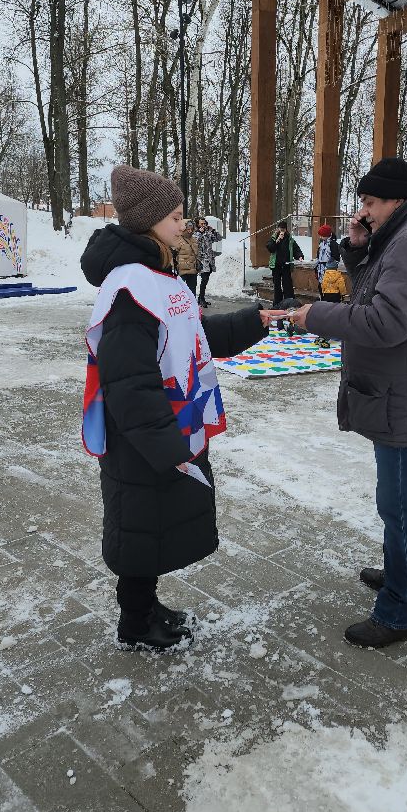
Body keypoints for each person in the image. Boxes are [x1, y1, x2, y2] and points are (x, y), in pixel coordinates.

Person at [80, 165, 285, 651]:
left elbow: (193, 338)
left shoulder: (159, 274)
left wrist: (252, 321)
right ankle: (135, 623)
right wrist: (165, 447)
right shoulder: (131, 288)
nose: (184, 224)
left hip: (165, 426)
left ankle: (147, 607)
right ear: (147, 221)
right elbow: (129, 381)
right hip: (143, 437)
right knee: (139, 526)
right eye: (174, 216)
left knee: (152, 524)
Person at [290, 158, 407, 649]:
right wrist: (360, 248)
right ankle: (399, 571)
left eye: (369, 203)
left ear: (395, 200)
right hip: (403, 390)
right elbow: (378, 291)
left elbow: (387, 321)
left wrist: (316, 315)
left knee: (401, 506)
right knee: (398, 499)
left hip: (403, 395)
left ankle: (400, 611)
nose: (363, 211)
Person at [266, 220, 304, 310]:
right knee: (277, 286)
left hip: (286, 265)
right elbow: (270, 248)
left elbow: (296, 249)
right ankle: (277, 305)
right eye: (280, 229)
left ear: (286, 229)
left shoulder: (290, 239)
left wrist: (300, 256)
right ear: (278, 229)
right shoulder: (274, 237)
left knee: (288, 286)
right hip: (276, 266)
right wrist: (277, 240)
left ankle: (290, 304)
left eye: (283, 229)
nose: (282, 231)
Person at [316, 260, 347, 349]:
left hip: (327, 296)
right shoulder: (339, 275)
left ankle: (322, 334)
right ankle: (333, 333)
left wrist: (324, 293)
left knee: (327, 313)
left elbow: (323, 285)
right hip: (336, 295)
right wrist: (343, 294)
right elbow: (342, 286)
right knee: (336, 313)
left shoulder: (325, 275)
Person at [196, 217, 221, 307]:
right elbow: (195, 242)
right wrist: (200, 233)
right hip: (202, 260)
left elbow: (218, 238)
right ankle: (201, 299)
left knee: (206, 280)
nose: (203, 225)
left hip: (209, 260)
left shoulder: (208, 233)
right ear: (198, 224)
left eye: (205, 223)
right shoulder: (195, 233)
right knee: (204, 279)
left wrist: (213, 230)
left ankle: (201, 298)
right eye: (201, 224)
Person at [177, 220, 200, 296]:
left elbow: (197, 254)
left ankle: (193, 303)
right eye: (188, 229)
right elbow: (172, 255)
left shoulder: (194, 240)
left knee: (192, 293)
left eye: (191, 229)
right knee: (180, 292)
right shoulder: (178, 240)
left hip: (192, 271)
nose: (190, 231)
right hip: (181, 272)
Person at [315, 223, 341, 291]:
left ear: (327, 235)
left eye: (322, 235)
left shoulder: (333, 244)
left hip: (329, 270)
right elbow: (318, 254)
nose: (320, 237)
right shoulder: (321, 243)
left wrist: (330, 266)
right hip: (320, 269)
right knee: (321, 287)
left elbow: (336, 258)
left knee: (328, 288)